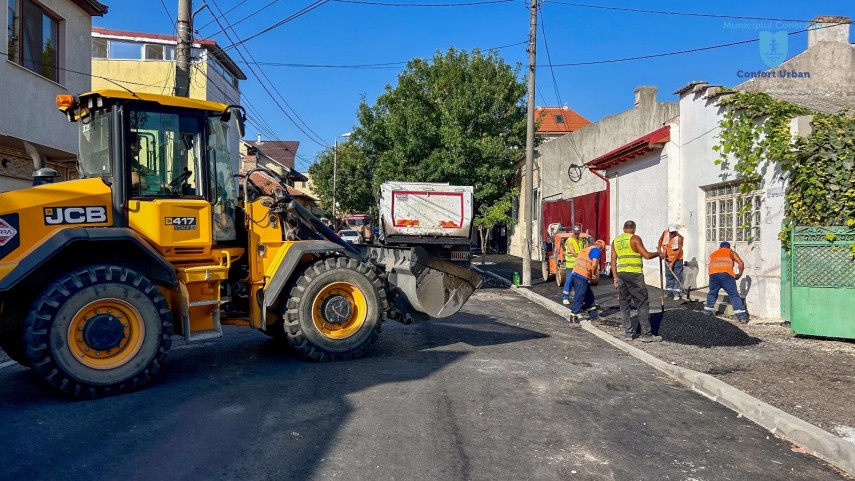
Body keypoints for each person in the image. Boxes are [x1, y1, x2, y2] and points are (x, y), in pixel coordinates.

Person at [611, 220, 664, 342]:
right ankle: (646, 335)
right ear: (634, 228)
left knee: (624, 304)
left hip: (621, 275)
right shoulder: (635, 239)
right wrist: (658, 253)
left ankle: (628, 333)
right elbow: (646, 255)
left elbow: (613, 262)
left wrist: (615, 278)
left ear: (624, 228)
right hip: (635, 275)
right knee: (642, 303)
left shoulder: (616, 241)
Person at [704, 241, 748, 324]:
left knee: (712, 294)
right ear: (729, 247)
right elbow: (741, 263)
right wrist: (739, 274)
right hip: (726, 275)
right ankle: (742, 317)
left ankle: (706, 313)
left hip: (713, 275)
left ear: (720, 247)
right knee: (734, 295)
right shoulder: (730, 252)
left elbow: (711, 264)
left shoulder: (714, 253)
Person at [568, 239, 606, 326]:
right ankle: (573, 317)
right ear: (601, 247)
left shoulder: (586, 249)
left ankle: (593, 315)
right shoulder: (596, 250)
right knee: (580, 296)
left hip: (575, 274)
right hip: (582, 275)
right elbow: (594, 264)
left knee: (589, 295)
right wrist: (593, 274)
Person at [658, 223, 685, 300]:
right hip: (667, 258)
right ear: (669, 230)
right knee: (668, 275)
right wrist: (660, 251)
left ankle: (677, 293)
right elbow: (660, 240)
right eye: (671, 232)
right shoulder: (665, 233)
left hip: (677, 260)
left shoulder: (679, 238)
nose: (672, 234)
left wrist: (672, 263)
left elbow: (678, 252)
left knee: (677, 276)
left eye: (674, 233)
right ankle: (669, 292)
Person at [561, 225, 585, 305]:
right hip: (571, 265)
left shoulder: (581, 240)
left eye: (577, 233)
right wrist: (580, 257)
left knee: (579, 281)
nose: (576, 235)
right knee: (569, 280)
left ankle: (579, 297)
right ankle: (565, 297)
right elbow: (572, 252)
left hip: (579, 264)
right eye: (575, 233)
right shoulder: (569, 241)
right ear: (573, 232)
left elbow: (583, 249)